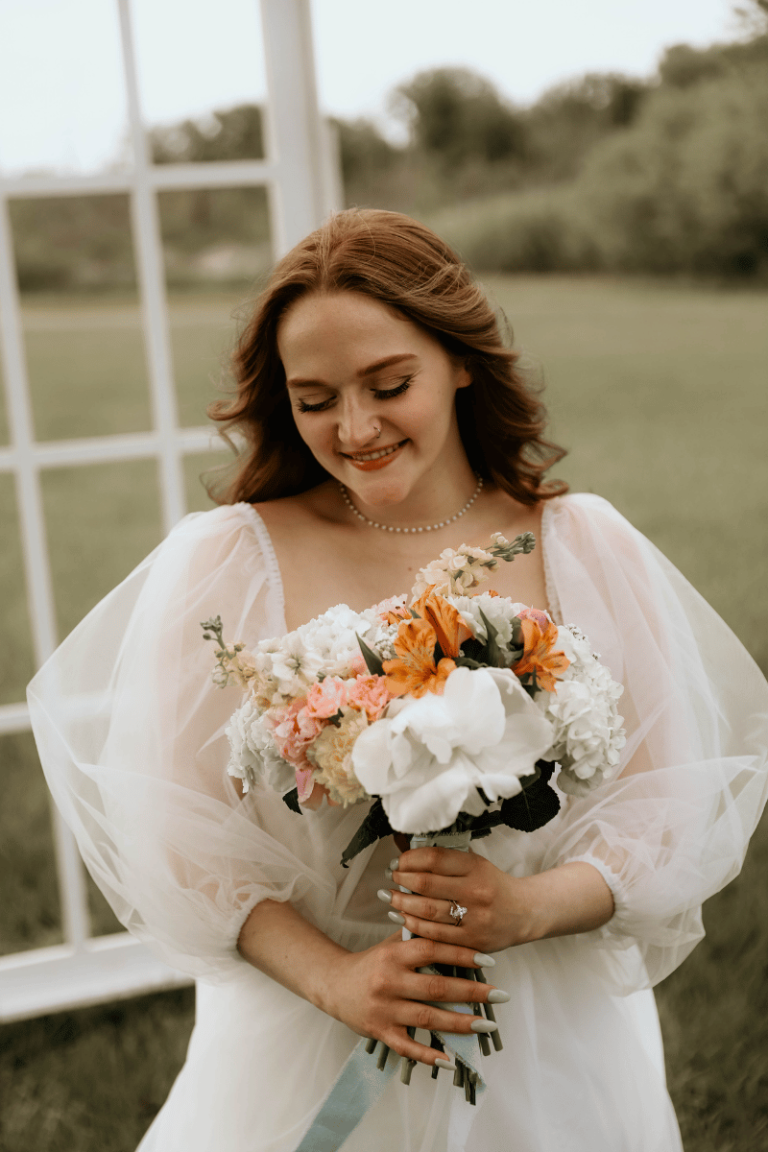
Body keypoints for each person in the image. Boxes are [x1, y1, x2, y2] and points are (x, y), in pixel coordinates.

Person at [28, 209, 768, 1152]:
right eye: (315, 398)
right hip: (307, 1027)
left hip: (548, 1033)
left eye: (389, 385)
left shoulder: (585, 544)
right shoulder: (228, 560)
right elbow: (179, 843)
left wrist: (528, 908)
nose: (356, 428)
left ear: (460, 360)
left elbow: (668, 815)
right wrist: (337, 979)